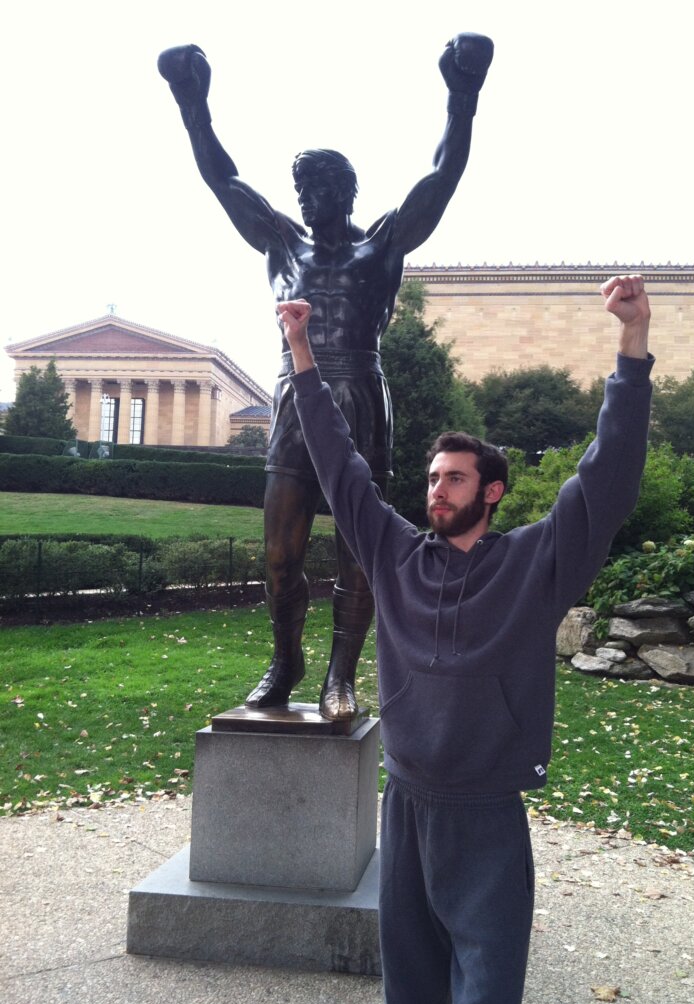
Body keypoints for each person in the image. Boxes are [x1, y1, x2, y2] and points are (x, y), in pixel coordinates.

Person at [274, 275, 653, 1004]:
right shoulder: (393, 553)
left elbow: (606, 478)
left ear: (493, 492)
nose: (436, 491)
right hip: (407, 800)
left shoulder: (536, 563)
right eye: (431, 479)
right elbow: (338, 466)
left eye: (454, 479)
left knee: (485, 992)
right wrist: (299, 354)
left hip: (485, 812)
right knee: (410, 989)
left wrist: (631, 347)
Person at [157, 34, 493, 720]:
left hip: (359, 400)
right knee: (279, 555)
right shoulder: (282, 245)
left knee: (357, 554)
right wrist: (192, 103)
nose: (305, 199)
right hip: (292, 406)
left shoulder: (383, 245)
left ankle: (340, 676)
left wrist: (462, 96)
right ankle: (286, 660)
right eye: (299, 189)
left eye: (316, 188)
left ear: (342, 191)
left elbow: (443, 177)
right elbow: (223, 181)